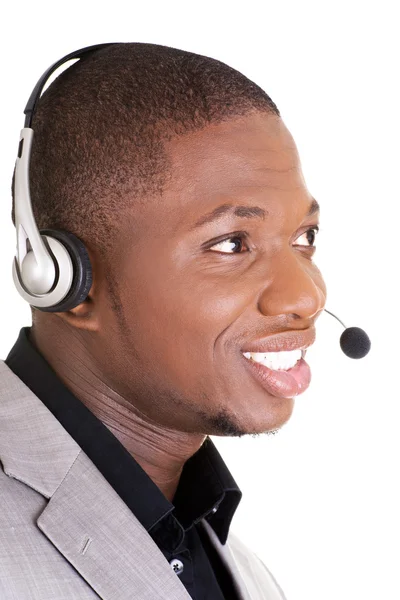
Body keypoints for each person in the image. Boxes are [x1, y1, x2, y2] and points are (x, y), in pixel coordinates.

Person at [0, 42, 326, 599]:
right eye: (231, 243)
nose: (306, 295)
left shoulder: (237, 565)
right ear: (66, 280)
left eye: (304, 239)